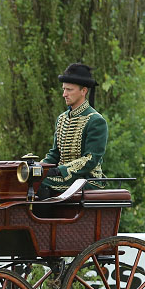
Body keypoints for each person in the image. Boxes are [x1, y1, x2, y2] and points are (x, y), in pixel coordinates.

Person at [39, 63, 108, 194]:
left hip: (87, 180)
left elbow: (90, 159)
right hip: (64, 178)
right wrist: (37, 168)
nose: (64, 94)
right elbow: (54, 154)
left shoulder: (96, 121)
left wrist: (61, 170)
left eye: (69, 90)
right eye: (64, 89)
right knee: (28, 181)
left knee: (40, 184)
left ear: (84, 91)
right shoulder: (62, 119)